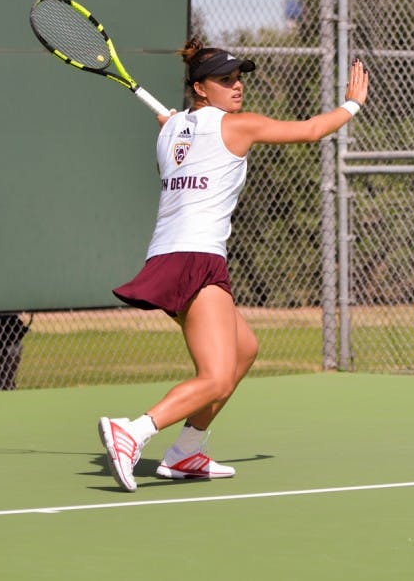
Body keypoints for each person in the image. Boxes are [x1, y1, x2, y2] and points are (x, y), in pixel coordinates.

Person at [98, 39, 369, 492]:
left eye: (239, 77)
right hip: (196, 256)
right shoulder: (237, 127)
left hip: (172, 254)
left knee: (243, 349)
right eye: (225, 80)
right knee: (216, 375)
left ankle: (186, 452)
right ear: (200, 89)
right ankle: (134, 431)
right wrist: (352, 104)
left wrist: (178, 121)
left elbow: (183, 136)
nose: (237, 86)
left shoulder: (169, 130)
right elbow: (310, 131)